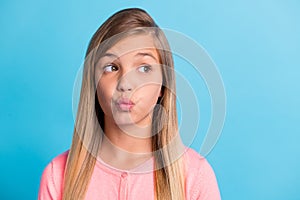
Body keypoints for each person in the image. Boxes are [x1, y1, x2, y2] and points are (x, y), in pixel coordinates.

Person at [38, 8, 221, 200]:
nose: (125, 83)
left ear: (162, 86)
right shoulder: (57, 175)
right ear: (93, 84)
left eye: (144, 68)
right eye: (111, 67)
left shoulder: (195, 175)